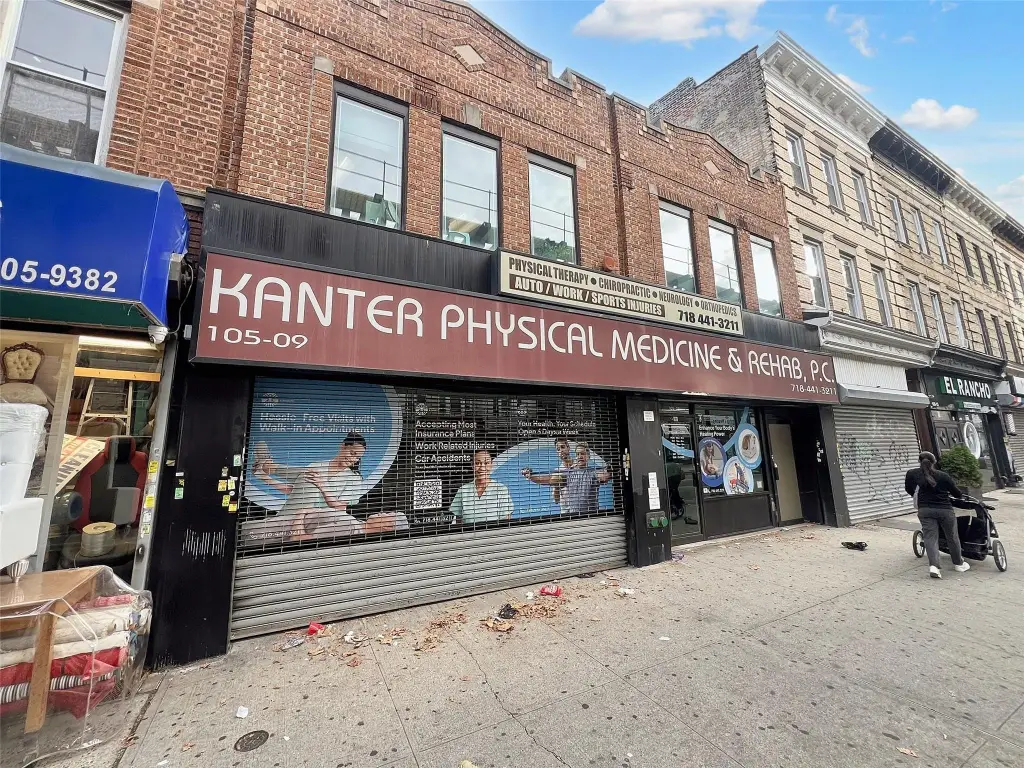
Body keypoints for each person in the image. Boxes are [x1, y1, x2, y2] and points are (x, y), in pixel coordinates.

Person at [249, 431, 404, 542]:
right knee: (309, 475)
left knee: (310, 474)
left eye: (357, 457)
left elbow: (340, 508)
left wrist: (322, 486)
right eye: (352, 453)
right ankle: (267, 469)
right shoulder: (319, 465)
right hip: (296, 514)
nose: (354, 459)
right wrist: (264, 478)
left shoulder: (354, 479)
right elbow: (294, 491)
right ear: (342, 446)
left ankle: (269, 466)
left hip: (315, 522)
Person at [904, 451, 969, 579]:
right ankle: (958, 564)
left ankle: (934, 566)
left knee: (930, 537)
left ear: (919, 461)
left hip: (925, 510)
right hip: (945, 510)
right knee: (952, 536)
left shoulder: (912, 474)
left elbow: (908, 489)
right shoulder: (943, 476)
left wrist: (920, 497)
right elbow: (957, 493)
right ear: (934, 462)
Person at [521, 441, 611, 516]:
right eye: (578, 454)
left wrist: (609, 470)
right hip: (572, 517)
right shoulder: (568, 474)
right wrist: (531, 476)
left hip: (591, 517)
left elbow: (605, 476)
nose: (580, 456)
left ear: (588, 456)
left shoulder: (594, 473)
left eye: (583, 454)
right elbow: (549, 480)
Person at [449, 449, 514, 524]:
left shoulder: (501, 490)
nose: (482, 467)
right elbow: (459, 524)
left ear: (491, 465)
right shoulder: (463, 490)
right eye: (477, 463)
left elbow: (506, 523)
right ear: (472, 465)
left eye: (486, 463)